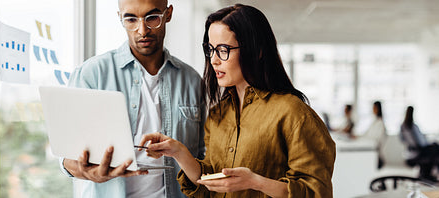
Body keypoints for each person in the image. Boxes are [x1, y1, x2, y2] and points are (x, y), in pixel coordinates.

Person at [138, 4, 336, 197]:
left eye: (224, 49)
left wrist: (255, 182)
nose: (214, 60)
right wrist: (178, 152)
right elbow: (210, 183)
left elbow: (316, 191)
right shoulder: (218, 114)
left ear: (257, 51)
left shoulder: (293, 112)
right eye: (211, 49)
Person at [59, 0, 206, 197]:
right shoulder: (91, 74)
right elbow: (66, 155)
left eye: (152, 18)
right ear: (120, 18)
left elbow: (204, 159)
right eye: (130, 19)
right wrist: (88, 172)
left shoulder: (192, 81)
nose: (142, 30)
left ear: (168, 14)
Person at [399, 106, 439, 181]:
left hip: (410, 152)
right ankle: (431, 173)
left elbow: (402, 140)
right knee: (436, 147)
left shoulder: (402, 127)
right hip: (419, 151)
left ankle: (427, 173)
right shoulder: (413, 127)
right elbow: (421, 143)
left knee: (435, 150)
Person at [360, 101, 387, 169]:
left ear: (378, 109)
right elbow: (366, 134)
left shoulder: (380, 124)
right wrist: (358, 137)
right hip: (371, 153)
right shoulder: (374, 122)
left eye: (374, 108)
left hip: (376, 156)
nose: (373, 110)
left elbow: (376, 140)